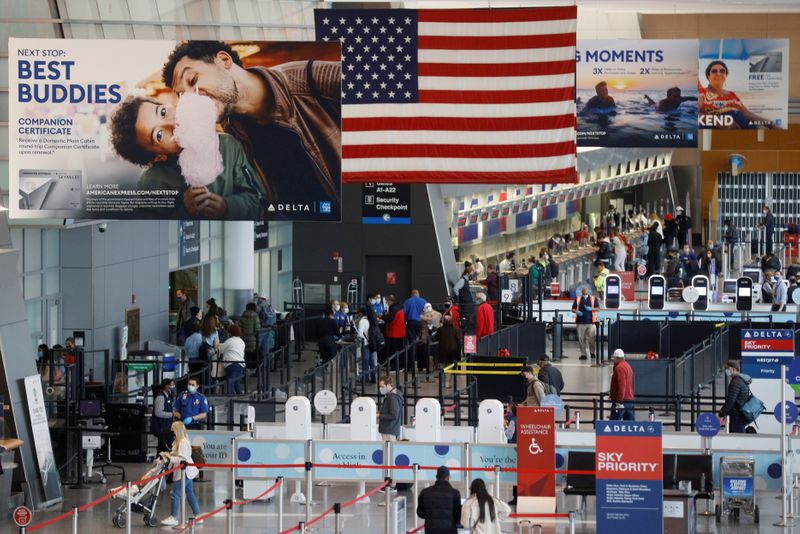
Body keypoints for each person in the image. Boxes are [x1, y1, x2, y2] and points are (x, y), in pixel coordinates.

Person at [163, 40, 341, 218]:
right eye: (182, 95)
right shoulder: (232, 129)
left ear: (224, 61)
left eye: (193, 80)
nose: (192, 98)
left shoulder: (316, 79)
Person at [109, 96, 265, 219]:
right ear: (158, 157)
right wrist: (185, 212)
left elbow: (260, 201)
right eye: (159, 134)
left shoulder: (228, 145)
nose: (173, 123)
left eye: (163, 112)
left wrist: (227, 207)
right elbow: (154, 236)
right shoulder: (151, 185)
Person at [700, 60, 775, 129]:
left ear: (726, 75)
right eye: (714, 71)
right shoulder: (702, 93)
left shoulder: (731, 94)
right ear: (708, 76)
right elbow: (695, 115)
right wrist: (716, 120)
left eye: (722, 71)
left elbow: (748, 114)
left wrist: (770, 124)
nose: (718, 73)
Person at [160, 421, 201, 526]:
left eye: (172, 428)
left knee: (175, 493)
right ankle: (198, 516)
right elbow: (177, 454)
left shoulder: (183, 442)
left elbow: (182, 458)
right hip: (185, 472)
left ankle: (173, 517)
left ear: (177, 429)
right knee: (190, 493)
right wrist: (168, 455)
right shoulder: (178, 441)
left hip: (185, 472)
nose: (171, 430)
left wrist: (169, 457)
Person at [417, 466, 462, 534]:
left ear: (437, 476)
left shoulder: (425, 492)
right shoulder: (454, 493)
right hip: (449, 529)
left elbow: (420, 513)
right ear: (447, 477)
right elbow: (458, 515)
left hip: (430, 529)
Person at [719, 360, 753, 433]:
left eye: (727, 369)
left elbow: (731, 400)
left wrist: (722, 413)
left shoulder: (736, 382)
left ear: (733, 369)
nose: (726, 371)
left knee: (737, 438)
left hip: (736, 415)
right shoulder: (742, 380)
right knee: (739, 436)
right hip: (741, 413)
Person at [571, 285, 597, 361]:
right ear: (581, 291)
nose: (584, 291)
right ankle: (583, 354)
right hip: (580, 322)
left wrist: (591, 308)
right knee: (581, 339)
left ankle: (592, 353)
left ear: (589, 291)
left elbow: (598, 308)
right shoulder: (578, 299)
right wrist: (576, 311)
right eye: (583, 290)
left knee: (591, 338)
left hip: (590, 322)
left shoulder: (593, 298)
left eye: (586, 290)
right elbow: (572, 309)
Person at [151, 378, 176, 455]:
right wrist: (172, 414)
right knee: (165, 449)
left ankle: (161, 464)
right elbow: (158, 413)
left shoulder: (169, 396)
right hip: (161, 428)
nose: (173, 386)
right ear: (166, 386)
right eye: (172, 385)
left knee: (162, 449)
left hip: (167, 427)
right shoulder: (160, 397)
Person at [219, 324, 246, 394]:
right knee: (236, 384)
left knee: (230, 384)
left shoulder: (230, 341)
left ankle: (232, 401)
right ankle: (241, 400)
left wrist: (216, 344)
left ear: (230, 333)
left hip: (231, 365)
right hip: (240, 364)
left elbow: (220, 349)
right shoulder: (241, 341)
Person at [609, 349, 634, 420]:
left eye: (614, 358)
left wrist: (618, 401)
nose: (613, 360)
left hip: (621, 400)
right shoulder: (627, 366)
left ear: (617, 358)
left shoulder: (619, 368)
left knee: (614, 423)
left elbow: (622, 386)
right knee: (629, 425)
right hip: (629, 399)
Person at [378, 375, 403, 441]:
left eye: (382, 386)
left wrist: (380, 415)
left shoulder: (393, 398)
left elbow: (394, 415)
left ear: (388, 385)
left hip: (389, 431)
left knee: (389, 450)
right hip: (388, 430)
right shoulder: (390, 396)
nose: (380, 389)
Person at [238, 302, 261, 369]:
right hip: (253, 339)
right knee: (254, 354)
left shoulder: (242, 316)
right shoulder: (255, 316)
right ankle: (254, 368)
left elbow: (239, 328)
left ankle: (247, 369)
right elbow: (257, 329)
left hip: (244, 338)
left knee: (247, 355)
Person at [354, 306, 372, 378]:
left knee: (365, 361)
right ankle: (373, 377)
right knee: (371, 361)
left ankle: (366, 378)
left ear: (360, 313)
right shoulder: (370, 319)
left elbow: (360, 334)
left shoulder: (362, 321)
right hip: (372, 342)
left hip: (365, 343)